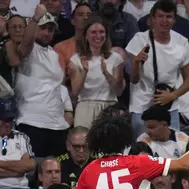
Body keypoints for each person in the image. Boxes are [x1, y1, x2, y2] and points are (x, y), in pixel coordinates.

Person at [126, 0, 189, 136]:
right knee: (141, 149)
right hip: (141, 104)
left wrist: (172, 96)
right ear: (152, 19)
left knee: (172, 149)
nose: (164, 20)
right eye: (160, 16)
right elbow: (133, 80)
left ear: (174, 20)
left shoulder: (182, 42)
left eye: (168, 17)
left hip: (169, 105)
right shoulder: (139, 40)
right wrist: (136, 62)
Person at [14, 6, 70, 158]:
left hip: (57, 125)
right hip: (31, 122)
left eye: (50, 29)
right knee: (32, 172)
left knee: (56, 173)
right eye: (43, 28)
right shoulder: (29, 50)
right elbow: (25, 46)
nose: (47, 33)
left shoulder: (54, 54)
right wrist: (34, 19)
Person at [69, 17, 125, 129]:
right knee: (84, 144)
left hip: (109, 106)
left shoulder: (116, 58)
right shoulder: (76, 59)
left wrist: (106, 74)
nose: (98, 36)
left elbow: (118, 92)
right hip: (85, 107)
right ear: (86, 35)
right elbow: (75, 92)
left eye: (101, 32)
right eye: (93, 32)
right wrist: (84, 71)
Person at [53, 1, 92, 74]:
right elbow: (60, 78)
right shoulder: (60, 47)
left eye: (89, 15)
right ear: (72, 21)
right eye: (81, 14)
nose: (86, 17)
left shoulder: (100, 45)